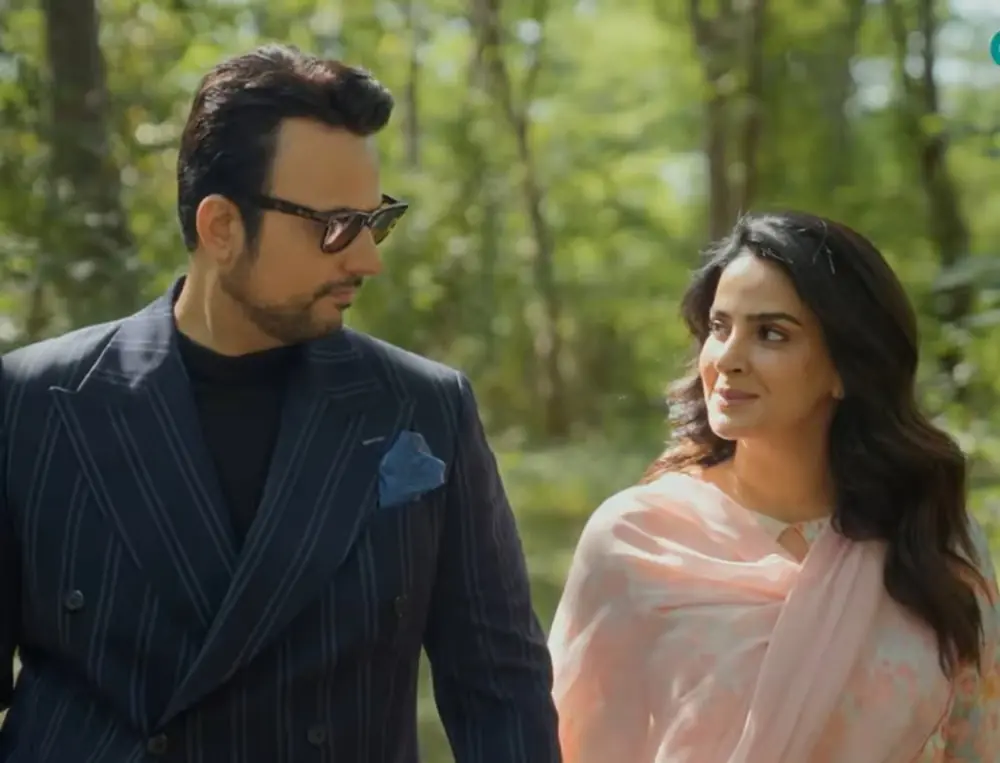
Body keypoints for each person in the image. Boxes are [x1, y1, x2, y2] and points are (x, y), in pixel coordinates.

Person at [0, 45, 560, 763]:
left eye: (376, 221)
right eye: (336, 226)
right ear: (221, 228)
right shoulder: (33, 403)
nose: (367, 258)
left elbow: (501, 688)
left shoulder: (424, 408)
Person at [548, 211, 1000, 763]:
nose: (728, 358)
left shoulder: (933, 542)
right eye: (719, 327)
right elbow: (566, 745)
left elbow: (978, 741)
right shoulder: (636, 541)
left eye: (771, 334)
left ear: (844, 369)